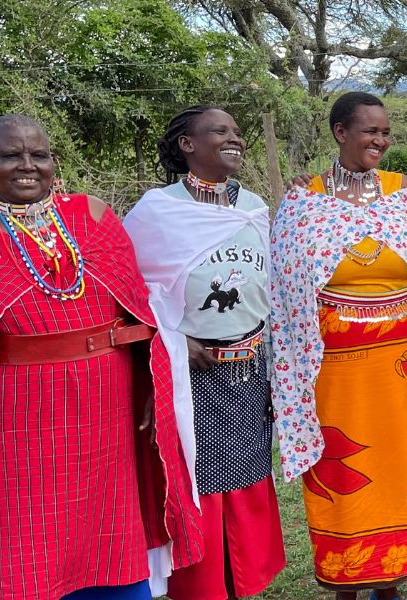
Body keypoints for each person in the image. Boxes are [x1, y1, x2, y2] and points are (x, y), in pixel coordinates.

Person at [0, 114, 202, 599]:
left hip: (108, 412)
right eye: (11, 155)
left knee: (110, 530)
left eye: (39, 155)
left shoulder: (92, 219)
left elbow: (136, 310)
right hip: (19, 425)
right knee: (24, 539)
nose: (27, 165)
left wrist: (147, 388)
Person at [269, 91, 407, 600]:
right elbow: (284, 287)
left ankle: (390, 583)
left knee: (398, 466)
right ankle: (347, 580)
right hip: (333, 373)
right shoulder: (304, 200)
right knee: (342, 467)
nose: (381, 140)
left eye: (386, 132)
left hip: (400, 370)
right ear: (341, 132)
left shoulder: (402, 192)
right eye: (370, 131)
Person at [123, 105, 287, 600]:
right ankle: (201, 588)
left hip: (249, 369)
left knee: (247, 477)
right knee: (200, 482)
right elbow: (129, 293)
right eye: (220, 131)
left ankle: (241, 586)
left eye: (237, 131)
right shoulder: (156, 212)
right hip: (188, 374)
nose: (234, 138)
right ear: (187, 145)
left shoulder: (253, 207)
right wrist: (174, 340)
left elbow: (268, 289)